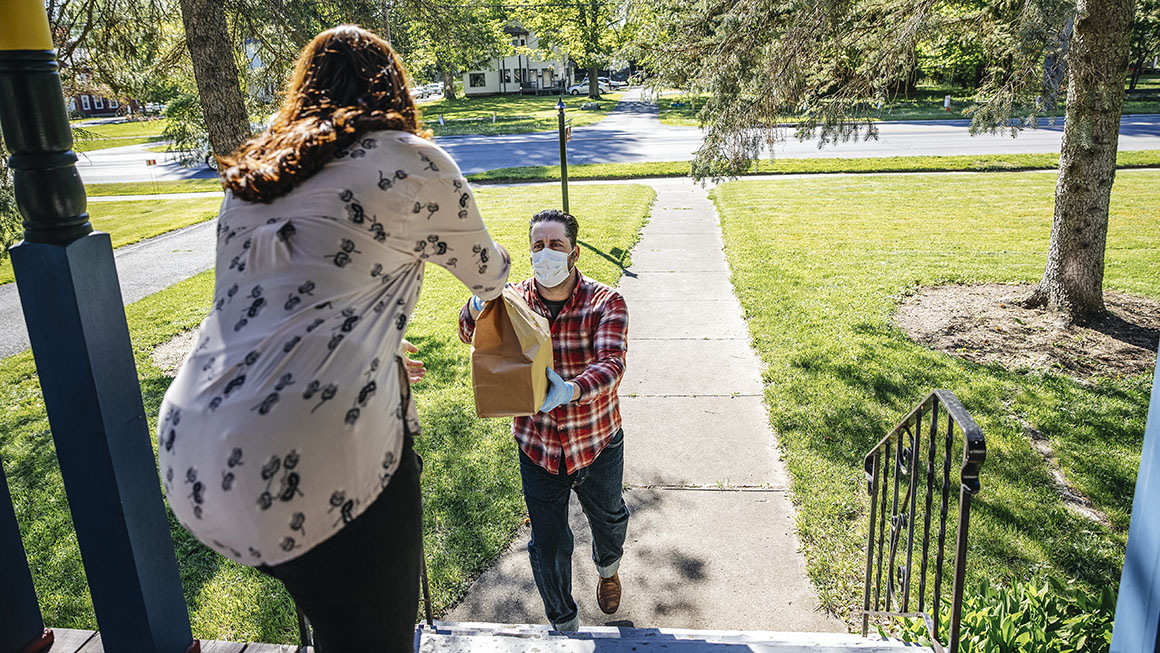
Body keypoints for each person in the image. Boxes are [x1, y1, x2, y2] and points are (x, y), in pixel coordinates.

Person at [157, 25, 510, 651]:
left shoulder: (259, 170)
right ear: (393, 86)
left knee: (328, 614)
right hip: (312, 450)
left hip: (196, 454)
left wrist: (366, 339)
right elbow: (488, 272)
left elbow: (279, 301)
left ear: (304, 88)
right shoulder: (410, 158)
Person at [458, 209, 630, 633]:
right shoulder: (512, 300)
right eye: (538, 246)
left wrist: (570, 390)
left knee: (608, 519)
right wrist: (480, 301)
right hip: (538, 446)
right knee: (549, 545)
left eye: (556, 245)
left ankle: (608, 568)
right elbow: (467, 331)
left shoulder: (605, 301)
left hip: (596, 441)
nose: (546, 253)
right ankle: (564, 622)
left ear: (574, 252)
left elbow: (611, 363)